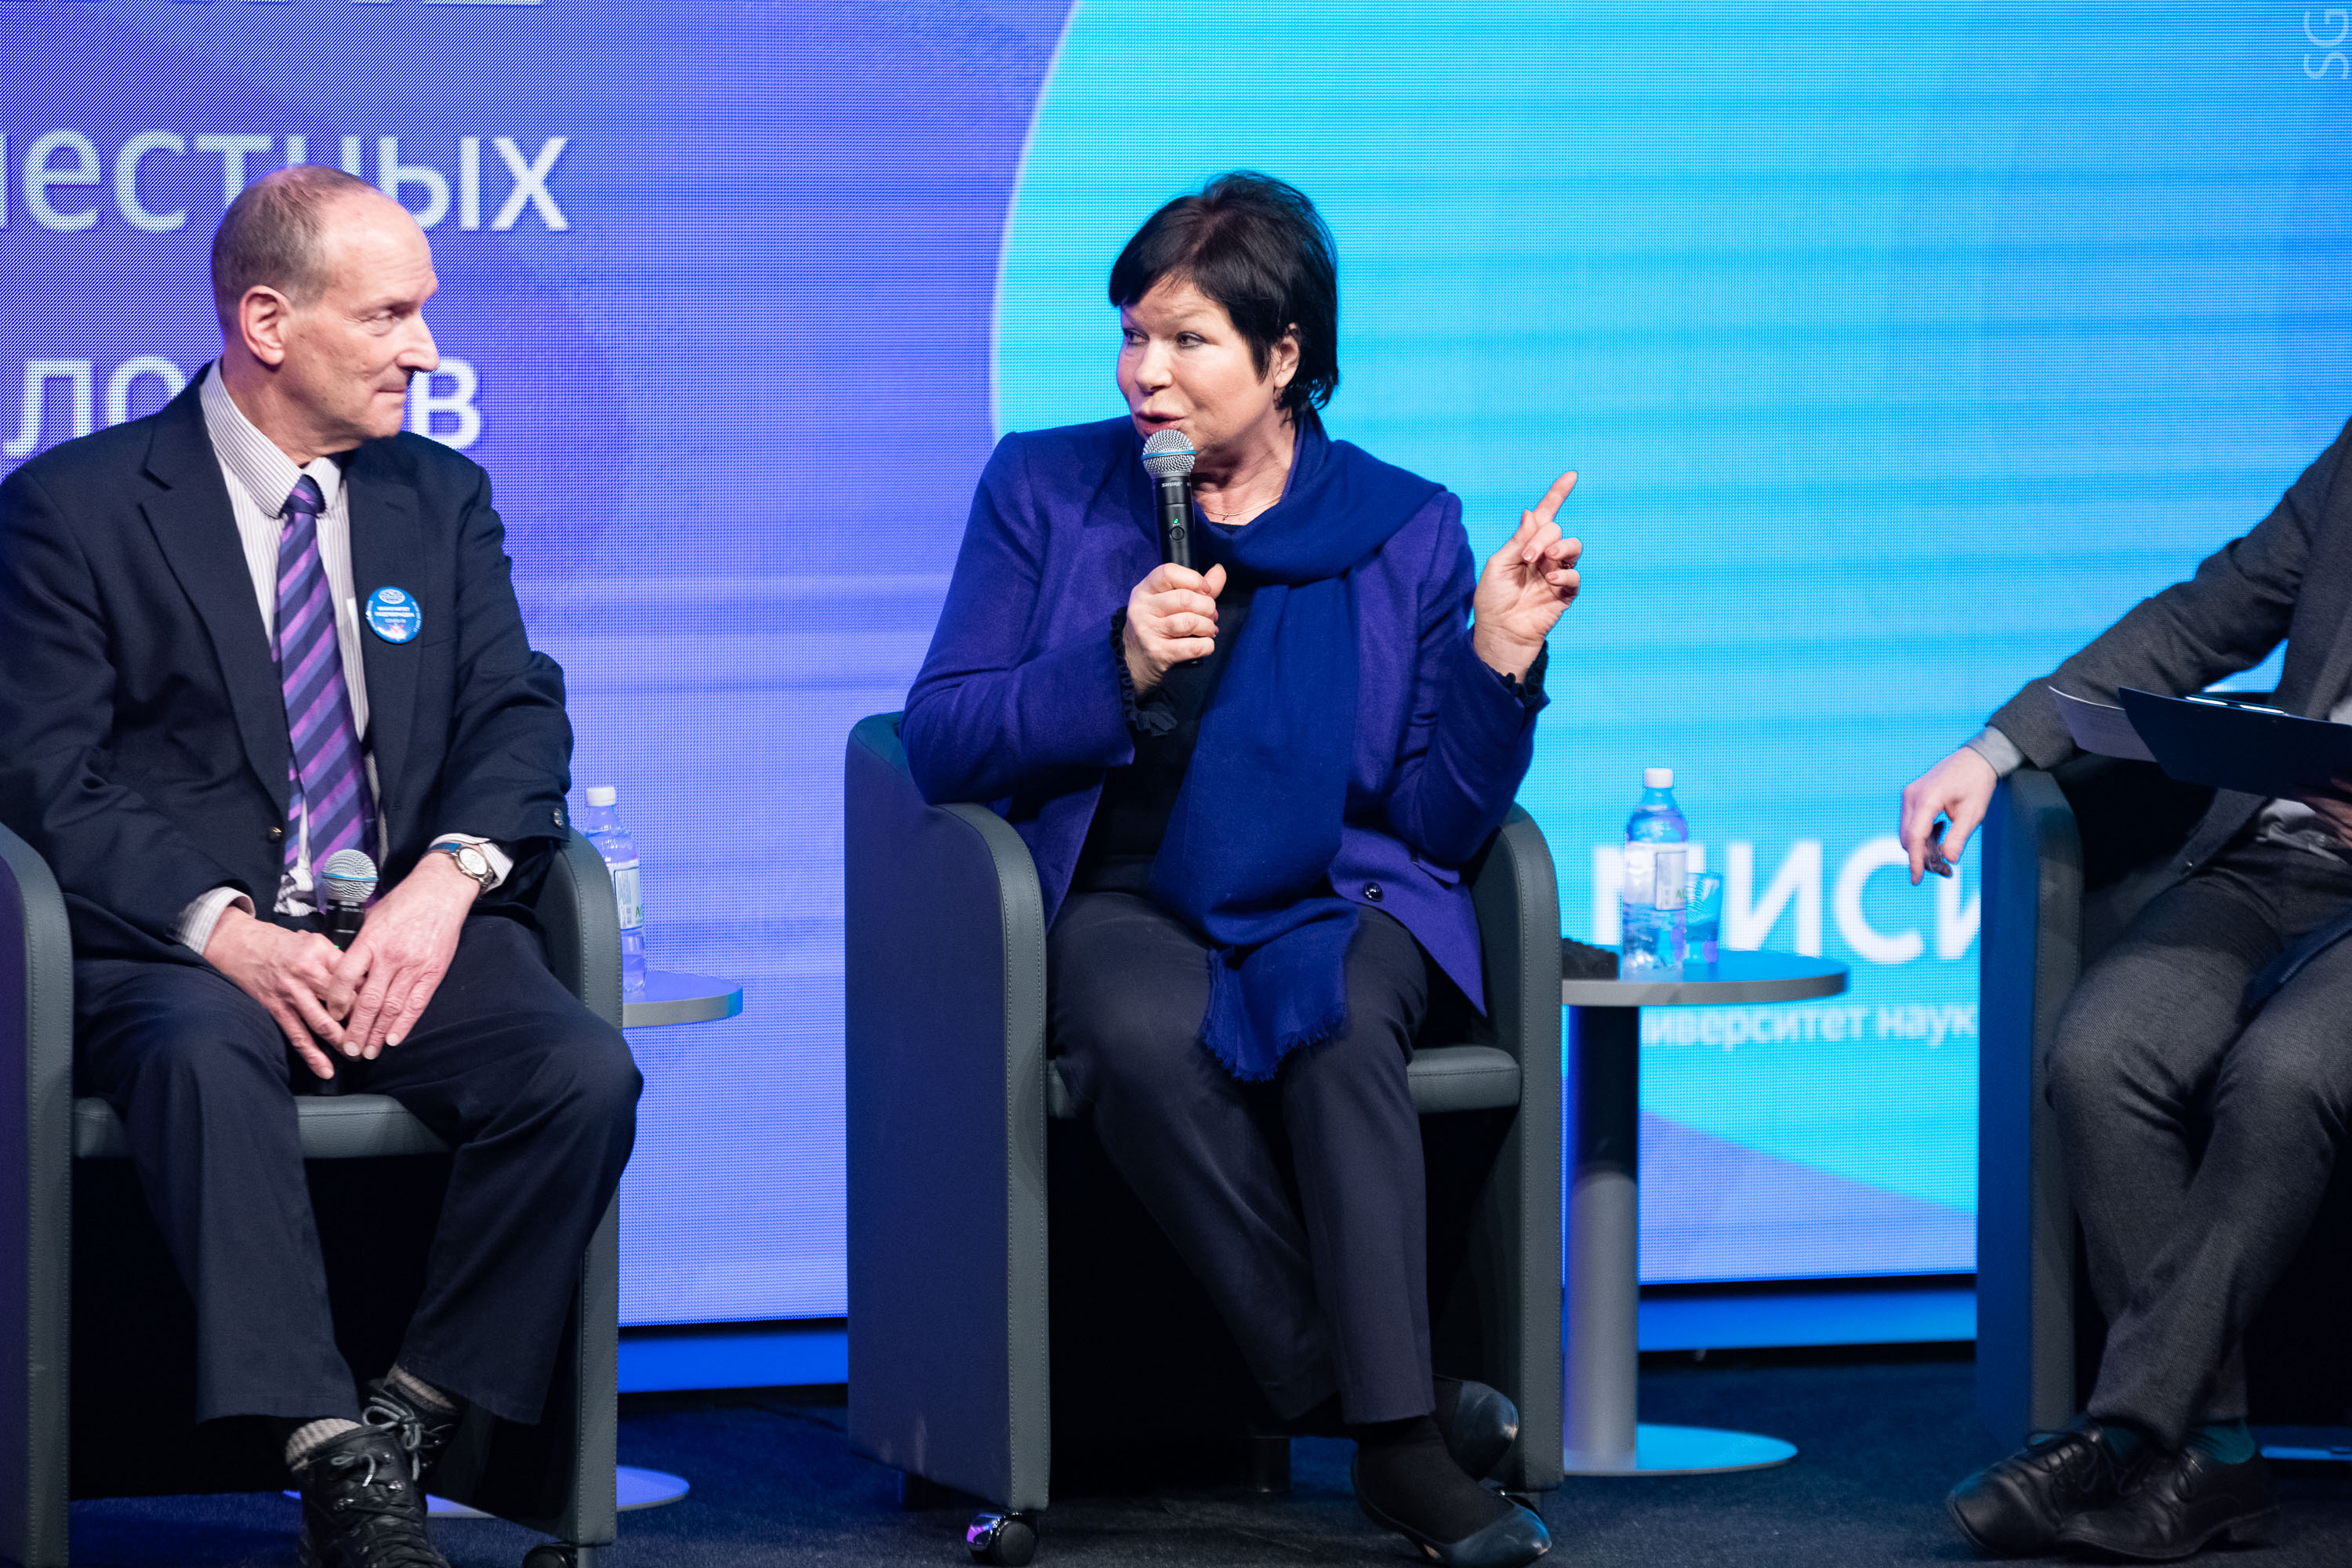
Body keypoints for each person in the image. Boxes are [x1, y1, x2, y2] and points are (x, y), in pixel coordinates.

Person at [902, 172, 1579, 1567]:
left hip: (1342, 886)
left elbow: (1438, 820)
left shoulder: (1403, 526)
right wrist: (1112, 665)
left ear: (1283, 358)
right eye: (1131, 336)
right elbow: (941, 737)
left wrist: (1500, 661)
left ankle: (1387, 1434)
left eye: (1186, 340)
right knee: (1143, 1037)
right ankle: (1379, 1416)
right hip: (1121, 894)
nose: (1144, 374)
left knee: (1338, 1025)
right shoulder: (1046, 487)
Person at [0, 165, 641, 1568]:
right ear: (268, 322)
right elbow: (47, 775)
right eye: (390, 315)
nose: (426, 350)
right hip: (180, 950)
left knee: (580, 1073)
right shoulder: (76, 505)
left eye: (424, 313)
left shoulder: (439, 497)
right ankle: (320, 1442)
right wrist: (226, 930)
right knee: (198, 1051)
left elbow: (516, 713)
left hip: (397, 926)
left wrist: (448, 881)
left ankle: (409, 1419)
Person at [1900, 423, 2352, 1560]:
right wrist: (1996, 748)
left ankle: (2126, 1432)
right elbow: (2208, 614)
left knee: (2284, 1076)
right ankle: (2217, 1451)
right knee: (2102, 1054)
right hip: (2279, 854)